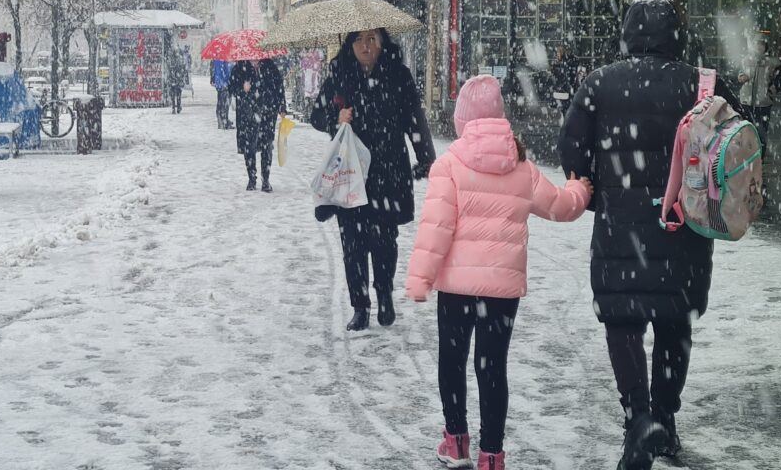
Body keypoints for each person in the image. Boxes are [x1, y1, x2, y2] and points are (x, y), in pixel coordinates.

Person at [558, 0, 742, 470]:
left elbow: (571, 150)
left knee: (623, 322)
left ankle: (637, 416)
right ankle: (664, 419)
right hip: (684, 225)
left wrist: (603, 195)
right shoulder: (702, 86)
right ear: (675, 34)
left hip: (620, 229)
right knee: (673, 323)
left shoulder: (599, 82)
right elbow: (739, 149)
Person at [407, 74, 592, 470]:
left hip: (456, 288)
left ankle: (455, 441)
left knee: (452, 361)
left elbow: (435, 231)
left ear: (462, 122)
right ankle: (492, 454)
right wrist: (581, 190)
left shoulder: (449, 165)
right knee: (492, 367)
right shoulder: (521, 166)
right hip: (501, 291)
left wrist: (420, 278)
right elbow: (559, 206)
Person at [310, 29, 435, 330]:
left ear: (382, 42)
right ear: (349, 45)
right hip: (350, 173)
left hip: (388, 171)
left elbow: (414, 118)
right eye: (358, 40)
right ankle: (360, 306)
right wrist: (335, 117)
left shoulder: (398, 75)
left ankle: (384, 294)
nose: (365, 46)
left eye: (371, 39)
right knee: (352, 242)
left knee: (384, 242)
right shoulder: (340, 74)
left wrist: (425, 156)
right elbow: (315, 114)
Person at [230, 57, 285, 192]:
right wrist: (243, 89)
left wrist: (282, 106)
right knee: (249, 147)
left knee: (267, 145)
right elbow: (232, 88)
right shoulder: (240, 67)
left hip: (267, 112)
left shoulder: (269, 65)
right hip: (247, 114)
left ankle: (265, 179)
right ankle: (252, 178)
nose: (254, 59)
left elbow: (279, 86)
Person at [737, 38, 781, 159]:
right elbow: (736, 74)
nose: (759, 47)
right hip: (746, 101)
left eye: (762, 44)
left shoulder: (773, 62)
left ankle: (759, 158)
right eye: (756, 44)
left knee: (761, 132)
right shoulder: (746, 59)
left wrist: (770, 91)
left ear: (766, 46)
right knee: (745, 130)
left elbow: (780, 79)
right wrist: (740, 77)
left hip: (763, 103)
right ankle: (745, 158)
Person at [210, 59, 232, 129]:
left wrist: (213, 79)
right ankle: (224, 121)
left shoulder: (216, 59)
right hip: (224, 84)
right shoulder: (224, 60)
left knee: (221, 102)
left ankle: (221, 121)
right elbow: (226, 73)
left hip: (219, 83)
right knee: (225, 103)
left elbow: (213, 70)